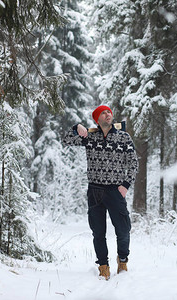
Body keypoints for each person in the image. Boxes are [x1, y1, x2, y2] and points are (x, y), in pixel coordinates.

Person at [62, 105, 139, 280]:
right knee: (98, 231)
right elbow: (66, 140)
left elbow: (133, 163)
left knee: (123, 229)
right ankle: (103, 266)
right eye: (103, 113)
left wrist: (126, 185)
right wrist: (76, 128)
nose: (108, 114)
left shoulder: (123, 137)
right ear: (97, 119)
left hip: (115, 190)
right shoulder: (90, 137)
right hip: (95, 191)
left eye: (109, 112)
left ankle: (123, 260)